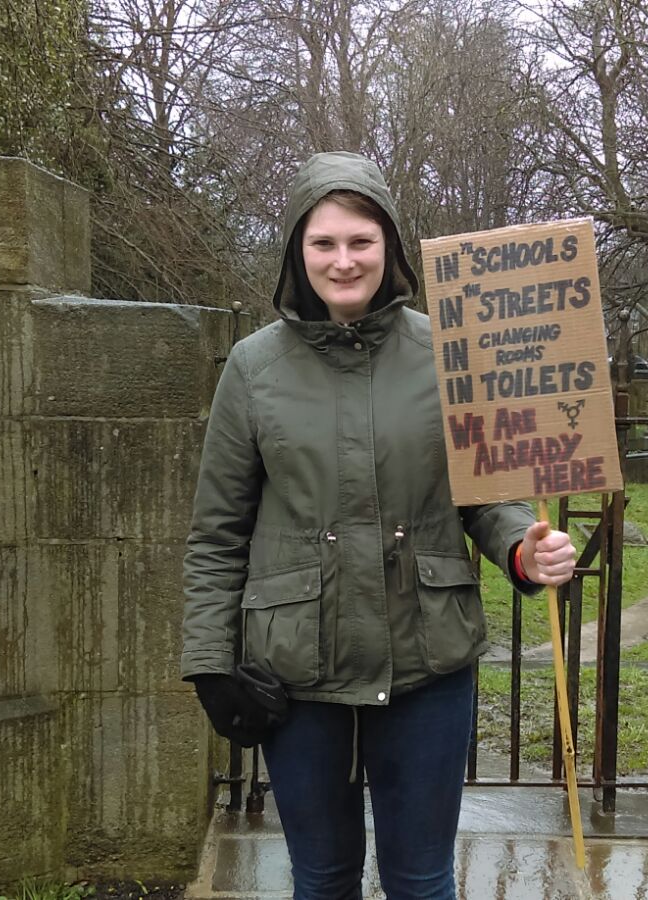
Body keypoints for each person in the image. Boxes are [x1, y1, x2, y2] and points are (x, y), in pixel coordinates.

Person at [181, 151, 577, 900]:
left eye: (361, 240)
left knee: (421, 880)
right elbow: (218, 532)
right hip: (298, 669)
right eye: (324, 242)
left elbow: (484, 494)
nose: (344, 260)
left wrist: (523, 548)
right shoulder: (253, 368)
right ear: (297, 251)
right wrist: (209, 662)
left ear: (389, 246)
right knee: (323, 878)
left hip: (427, 657)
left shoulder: (448, 354)